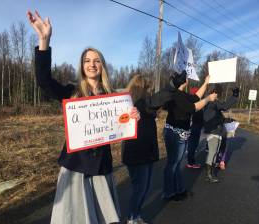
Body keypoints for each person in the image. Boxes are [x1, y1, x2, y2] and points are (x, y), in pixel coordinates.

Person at [27, 10, 139, 224]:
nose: (92, 64)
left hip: (101, 168)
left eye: (96, 60)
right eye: (87, 60)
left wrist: (134, 115)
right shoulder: (71, 91)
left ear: (102, 66)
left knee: (101, 217)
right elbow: (44, 82)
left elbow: (123, 124)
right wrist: (44, 40)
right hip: (75, 167)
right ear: (82, 65)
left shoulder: (114, 98)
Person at [146, 70, 217, 201]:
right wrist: (208, 99)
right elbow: (192, 108)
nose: (188, 80)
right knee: (172, 164)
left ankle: (178, 189)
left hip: (178, 133)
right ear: (184, 82)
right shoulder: (176, 95)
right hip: (175, 134)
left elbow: (196, 97)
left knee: (176, 163)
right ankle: (169, 192)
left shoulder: (180, 94)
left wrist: (206, 83)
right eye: (186, 78)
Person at [121, 75, 159, 224]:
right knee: (140, 188)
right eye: (148, 88)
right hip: (137, 153)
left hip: (147, 151)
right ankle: (132, 217)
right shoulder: (135, 103)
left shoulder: (144, 104)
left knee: (145, 187)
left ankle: (136, 215)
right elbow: (151, 109)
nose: (150, 90)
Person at [203, 84, 239, 183]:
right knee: (212, 153)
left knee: (214, 153)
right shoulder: (211, 102)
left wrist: (228, 119)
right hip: (213, 131)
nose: (217, 95)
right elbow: (225, 106)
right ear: (213, 92)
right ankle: (208, 175)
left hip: (215, 131)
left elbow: (218, 116)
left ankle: (210, 174)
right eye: (217, 93)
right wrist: (235, 95)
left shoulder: (211, 103)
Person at [186, 87, 204, 169]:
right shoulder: (196, 104)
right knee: (193, 144)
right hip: (195, 126)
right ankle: (191, 162)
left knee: (192, 144)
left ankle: (190, 159)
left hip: (195, 126)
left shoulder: (191, 103)